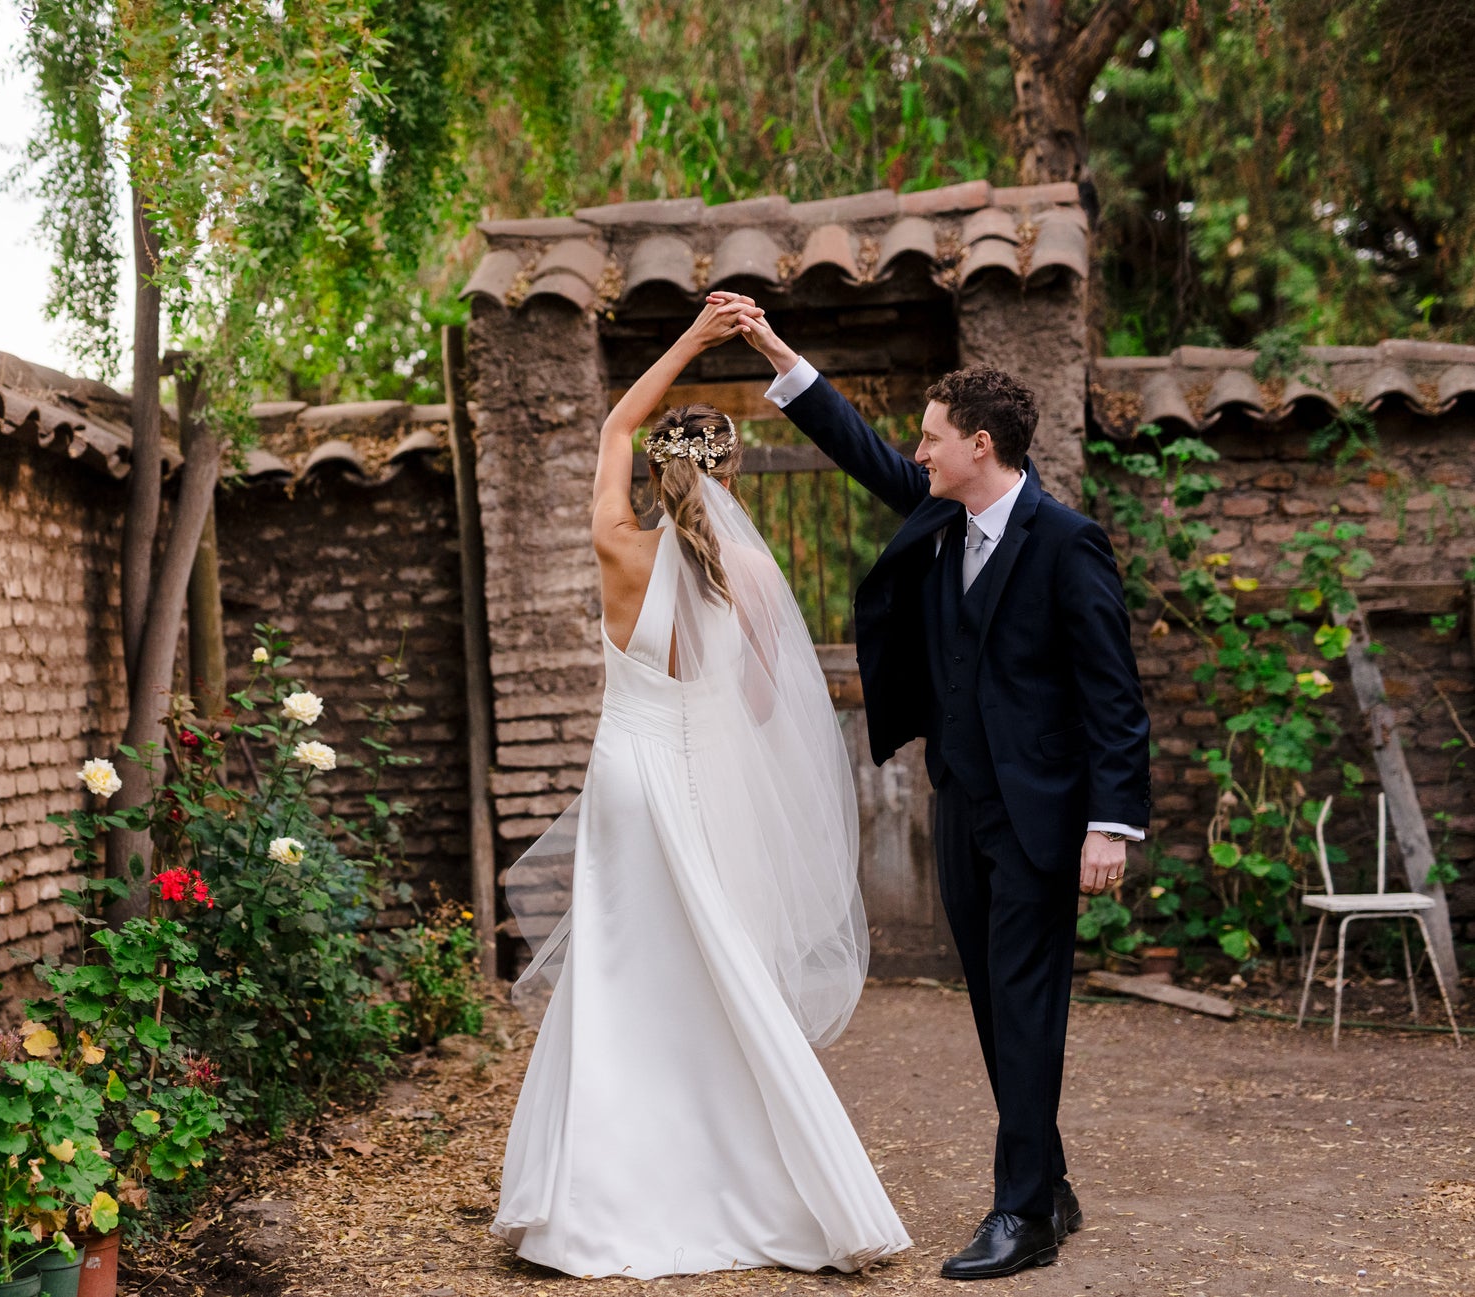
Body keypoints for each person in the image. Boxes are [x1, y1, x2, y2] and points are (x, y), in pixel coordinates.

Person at [726, 292, 1152, 1281]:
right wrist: (780, 355)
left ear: (979, 445)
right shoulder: (942, 515)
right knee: (997, 1007)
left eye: (930, 437)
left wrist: (1110, 823)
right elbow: (862, 453)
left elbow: (1113, 694)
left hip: (1043, 817)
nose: (915, 452)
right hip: (960, 801)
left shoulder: (1066, 542)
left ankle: (1021, 1214)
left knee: (1025, 1004)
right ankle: (1047, 1181)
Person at [490, 297, 912, 1279]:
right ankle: (765, 1181)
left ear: (655, 472)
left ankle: (587, 1200)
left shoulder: (615, 540)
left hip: (621, 779)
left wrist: (690, 338)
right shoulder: (747, 574)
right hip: (691, 774)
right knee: (718, 965)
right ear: (730, 476)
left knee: (614, 970)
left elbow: (612, 424)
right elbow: (765, 706)